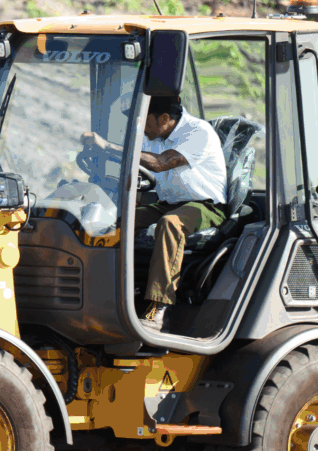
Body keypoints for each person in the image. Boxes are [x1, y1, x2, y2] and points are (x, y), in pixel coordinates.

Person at [90, 93, 228, 325]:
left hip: (205, 206)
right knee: (118, 220)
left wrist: (108, 146)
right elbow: (139, 167)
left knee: (171, 223)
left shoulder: (198, 132)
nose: (142, 129)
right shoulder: (152, 135)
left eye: (145, 122)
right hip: (167, 203)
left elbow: (160, 163)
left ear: (164, 118)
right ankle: (107, 292)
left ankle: (158, 307)